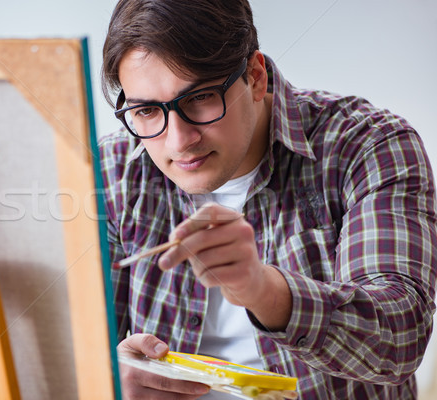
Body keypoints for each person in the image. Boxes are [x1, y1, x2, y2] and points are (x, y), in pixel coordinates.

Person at [98, 0, 437, 398]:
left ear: (255, 77)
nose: (178, 140)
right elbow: (79, 344)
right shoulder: (113, 168)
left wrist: (263, 289)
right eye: (147, 112)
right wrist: (109, 380)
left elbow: (399, 339)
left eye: (200, 98)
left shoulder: (367, 145)